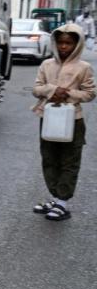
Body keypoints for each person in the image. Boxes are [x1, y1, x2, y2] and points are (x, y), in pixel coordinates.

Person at [31, 23, 95, 221]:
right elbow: (36, 88)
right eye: (60, 43)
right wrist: (51, 90)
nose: (64, 47)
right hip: (49, 118)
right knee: (49, 158)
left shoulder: (84, 68)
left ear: (77, 45)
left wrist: (67, 93)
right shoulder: (46, 65)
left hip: (73, 120)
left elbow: (90, 93)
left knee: (69, 160)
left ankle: (62, 203)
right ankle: (55, 197)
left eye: (68, 43)